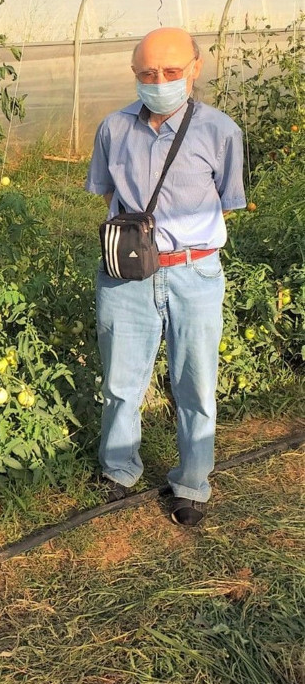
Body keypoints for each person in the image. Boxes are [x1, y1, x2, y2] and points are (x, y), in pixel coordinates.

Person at [85, 27, 246, 527]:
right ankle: (119, 468)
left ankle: (192, 482)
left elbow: (228, 201)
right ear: (135, 74)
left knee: (195, 382)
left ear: (195, 68)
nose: (160, 82)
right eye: (149, 73)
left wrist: (182, 242)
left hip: (194, 274)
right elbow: (106, 191)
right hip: (128, 272)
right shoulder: (113, 129)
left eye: (172, 72)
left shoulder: (221, 132)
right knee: (120, 380)